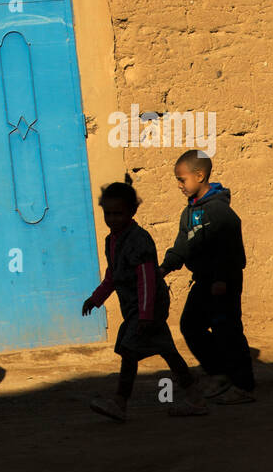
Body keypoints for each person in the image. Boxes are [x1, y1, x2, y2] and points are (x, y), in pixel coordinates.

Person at [83, 175, 208, 421]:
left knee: (130, 351)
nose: (112, 220)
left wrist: (145, 314)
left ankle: (120, 402)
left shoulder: (139, 241)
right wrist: (95, 299)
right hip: (137, 309)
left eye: (118, 214)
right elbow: (113, 275)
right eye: (108, 214)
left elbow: (147, 280)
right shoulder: (113, 241)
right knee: (168, 351)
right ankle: (195, 397)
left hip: (148, 307)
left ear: (131, 212)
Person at [159, 150, 254, 403]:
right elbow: (182, 246)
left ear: (199, 176)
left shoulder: (220, 211)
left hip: (224, 281)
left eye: (182, 179)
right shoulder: (189, 213)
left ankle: (243, 386)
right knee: (191, 325)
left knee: (228, 331)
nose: (179, 186)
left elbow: (230, 248)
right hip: (204, 281)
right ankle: (219, 372)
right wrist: (164, 268)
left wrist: (221, 279)